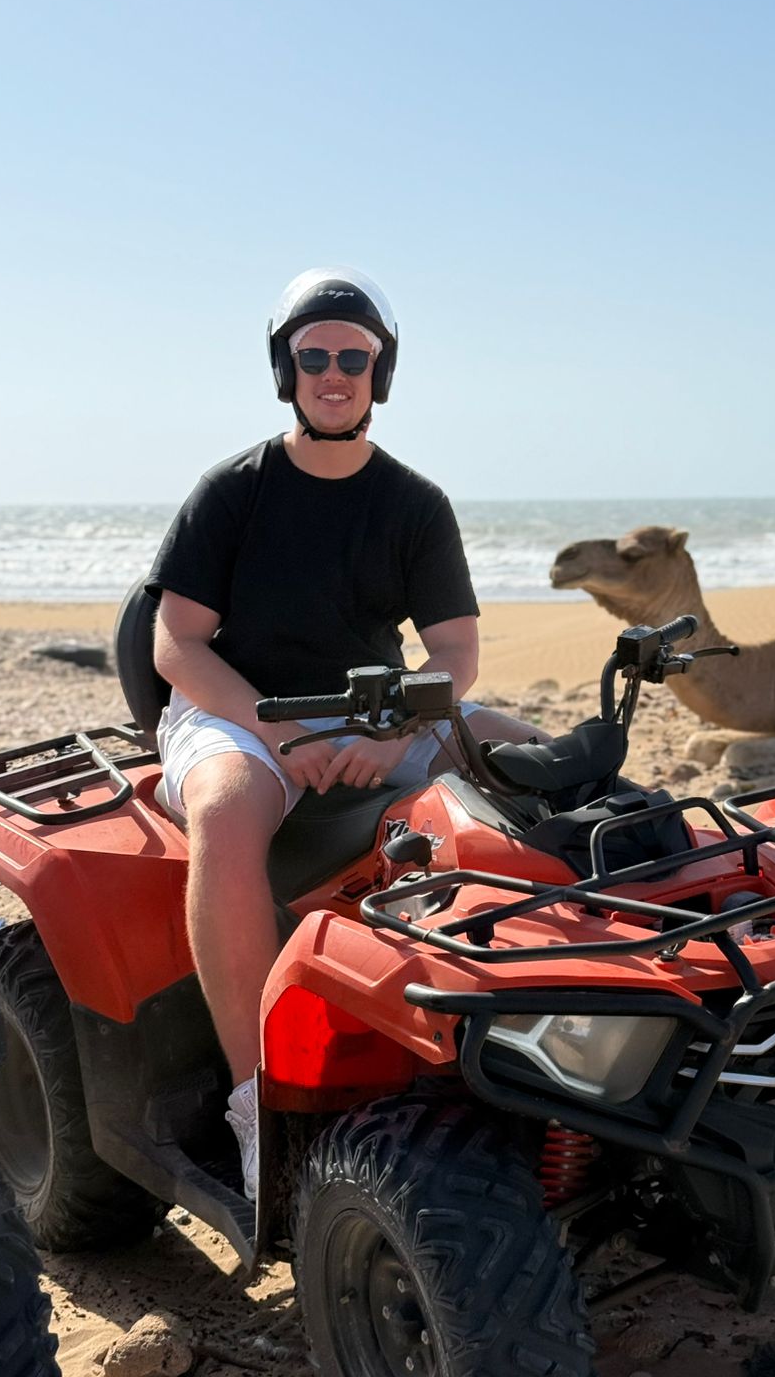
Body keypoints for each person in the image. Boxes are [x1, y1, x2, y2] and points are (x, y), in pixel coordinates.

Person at [145, 267, 542, 1198]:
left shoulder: (414, 503)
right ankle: (255, 1103)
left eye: (353, 358)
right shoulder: (232, 491)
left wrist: (394, 723)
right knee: (230, 813)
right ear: (286, 370)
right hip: (235, 713)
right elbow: (177, 644)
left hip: (370, 713)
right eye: (313, 356)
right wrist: (278, 740)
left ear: (380, 372)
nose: (334, 373)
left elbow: (453, 655)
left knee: (534, 756)